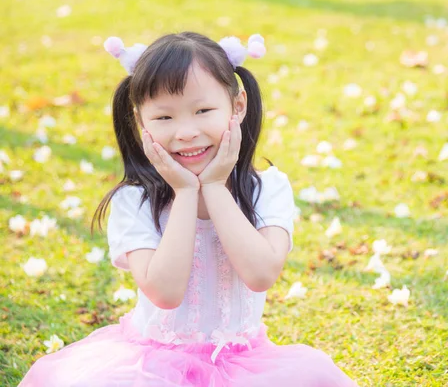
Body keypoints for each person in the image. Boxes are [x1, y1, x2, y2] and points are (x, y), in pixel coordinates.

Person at [19, 31, 357, 387]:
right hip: (148, 367)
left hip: (246, 365)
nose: (185, 132)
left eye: (203, 111)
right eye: (164, 118)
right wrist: (183, 193)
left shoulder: (267, 189)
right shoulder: (134, 201)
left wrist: (213, 187)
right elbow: (165, 293)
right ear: (140, 121)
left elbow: (260, 274)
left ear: (237, 105)